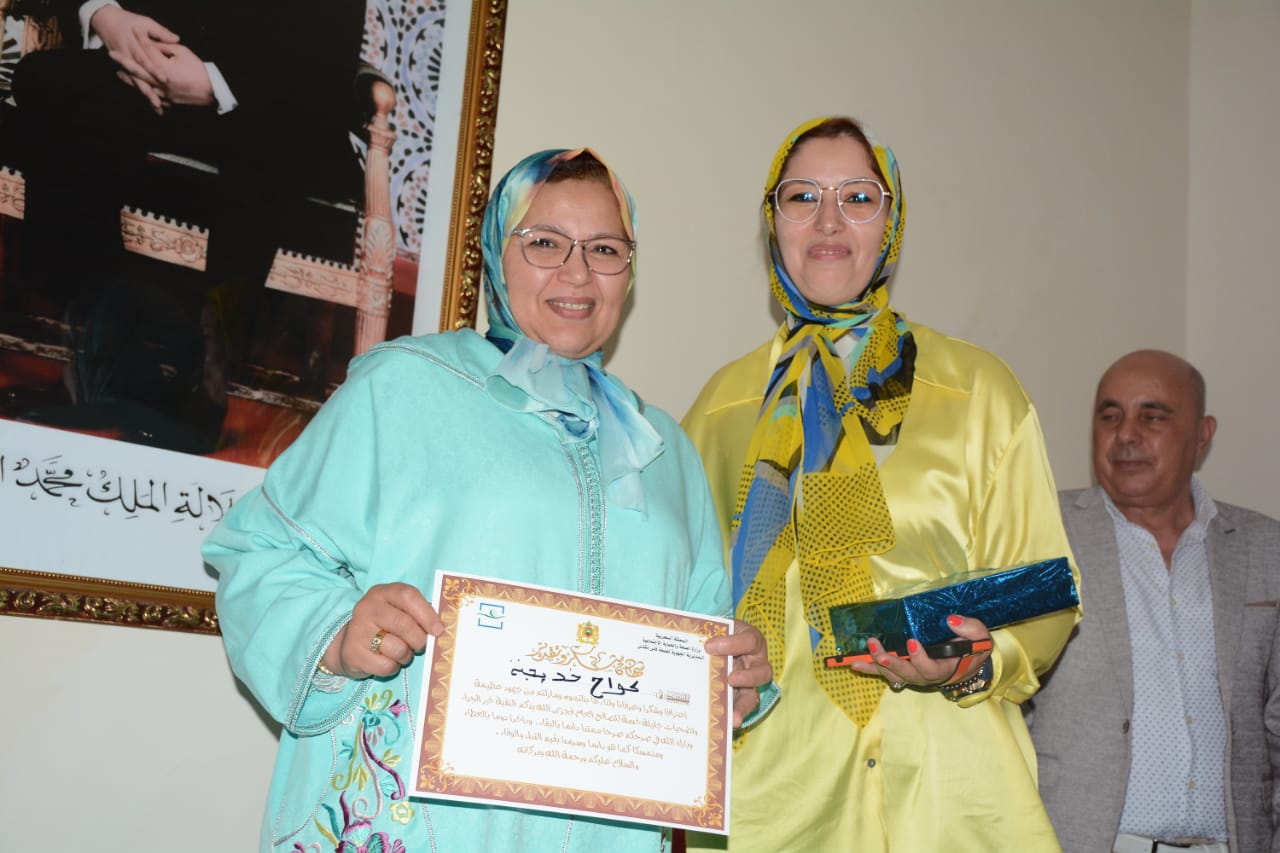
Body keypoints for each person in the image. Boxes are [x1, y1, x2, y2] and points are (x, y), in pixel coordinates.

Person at [203, 148, 773, 852]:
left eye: (605, 248)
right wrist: (339, 633)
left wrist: (733, 678)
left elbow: (703, 629)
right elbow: (257, 548)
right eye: (545, 243)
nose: (578, 272)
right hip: (421, 827)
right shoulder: (406, 387)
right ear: (496, 256)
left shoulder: (662, 448)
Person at [680, 115, 1081, 851]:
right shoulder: (720, 410)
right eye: (803, 196)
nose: (829, 220)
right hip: (777, 805)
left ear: (891, 222)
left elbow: (1048, 591)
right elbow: (680, 607)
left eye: (859, 197)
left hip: (952, 802)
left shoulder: (978, 391)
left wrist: (970, 661)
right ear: (772, 221)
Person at [5, 0, 364, 452]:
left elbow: (329, 50)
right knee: (49, 79)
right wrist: (106, 17)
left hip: (265, 101)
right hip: (146, 69)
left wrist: (215, 84)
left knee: (273, 144)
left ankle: (205, 382)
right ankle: (98, 356)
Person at [1027, 349, 1280, 853]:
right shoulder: (1041, 533)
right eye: (1110, 416)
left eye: (1152, 416)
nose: (1126, 434)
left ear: (1202, 435)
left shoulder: (1264, 547)